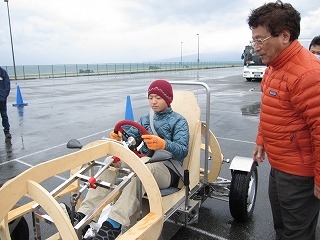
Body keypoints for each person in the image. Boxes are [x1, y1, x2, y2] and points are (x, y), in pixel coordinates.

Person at [61, 79, 189, 240]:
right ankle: (83, 214)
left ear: (168, 99)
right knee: (111, 162)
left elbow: (182, 151)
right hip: (145, 162)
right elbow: (132, 135)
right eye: (151, 97)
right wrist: (119, 134)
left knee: (141, 169)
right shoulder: (145, 118)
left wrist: (163, 144)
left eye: (158, 97)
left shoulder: (179, 121)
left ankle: (113, 225)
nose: (153, 101)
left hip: (168, 169)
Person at [248, 1, 320, 240]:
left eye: (260, 40)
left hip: (300, 174)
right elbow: (271, 109)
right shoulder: (273, 66)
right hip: (279, 167)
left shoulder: (308, 74)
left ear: (285, 36)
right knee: (281, 226)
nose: (256, 47)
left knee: (297, 234)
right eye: (253, 40)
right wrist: (261, 140)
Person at [0, 67, 11, 139]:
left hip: (2, 100)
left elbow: (7, 85)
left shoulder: (2, 72)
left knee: (4, 115)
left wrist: (3, 96)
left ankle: (7, 131)